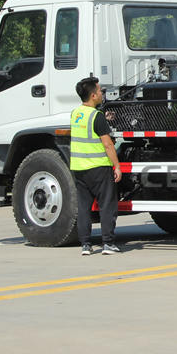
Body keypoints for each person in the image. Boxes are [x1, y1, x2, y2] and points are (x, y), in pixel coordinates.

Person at [70, 77, 123, 255]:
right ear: (93, 95)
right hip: (99, 167)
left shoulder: (75, 113)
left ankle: (85, 244)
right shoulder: (96, 116)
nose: (102, 94)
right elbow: (108, 144)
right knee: (107, 206)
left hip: (79, 168)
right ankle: (108, 243)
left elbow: (87, 131)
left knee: (84, 207)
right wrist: (117, 166)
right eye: (100, 91)